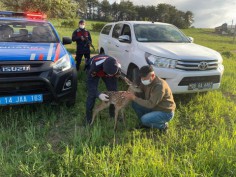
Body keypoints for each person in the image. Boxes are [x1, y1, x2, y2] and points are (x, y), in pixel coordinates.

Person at [123, 65, 176, 132]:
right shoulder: (146, 81)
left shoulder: (159, 86)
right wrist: (132, 93)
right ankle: (147, 124)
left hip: (165, 112)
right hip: (155, 107)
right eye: (141, 78)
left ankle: (163, 126)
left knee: (144, 119)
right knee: (135, 104)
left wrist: (133, 97)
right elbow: (141, 93)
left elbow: (151, 104)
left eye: (145, 78)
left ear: (153, 75)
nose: (143, 80)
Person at [85, 54, 121, 124]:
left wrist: (112, 76)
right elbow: (90, 85)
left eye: (111, 74)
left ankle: (113, 114)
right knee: (91, 95)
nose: (109, 76)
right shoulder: (95, 65)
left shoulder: (117, 67)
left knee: (113, 92)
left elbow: (115, 79)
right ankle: (88, 119)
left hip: (108, 70)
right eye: (108, 74)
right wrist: (98, 94)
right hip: (96, 71)